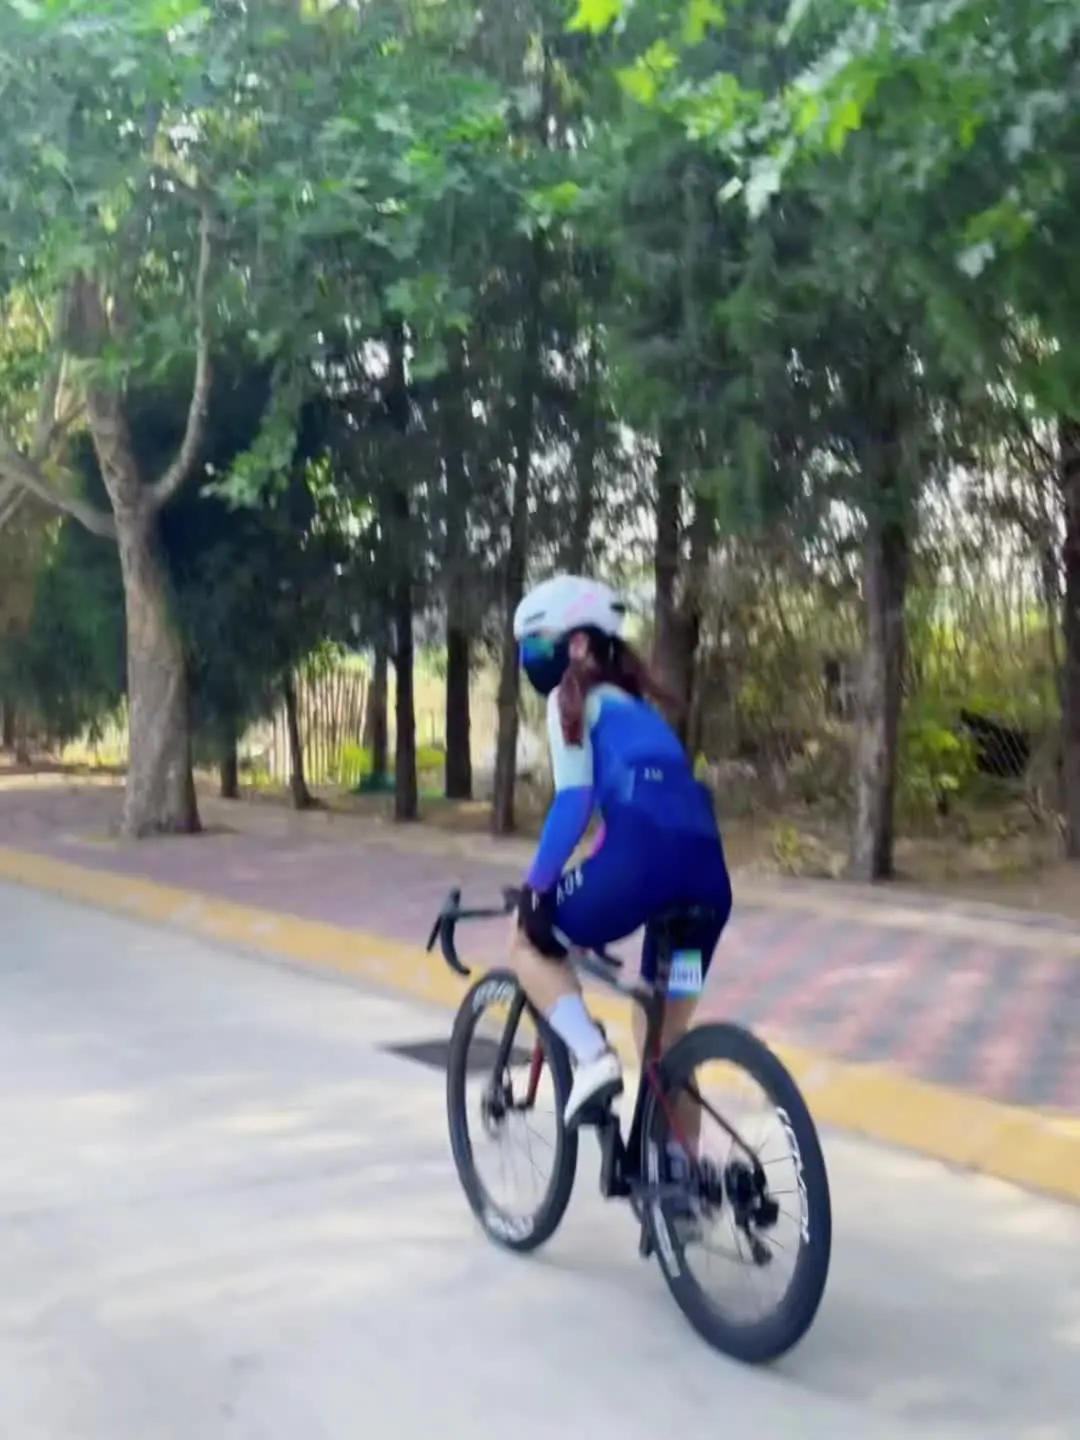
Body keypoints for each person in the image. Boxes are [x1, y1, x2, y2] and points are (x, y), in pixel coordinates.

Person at [509, 573, 733, 1133]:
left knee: (527, 944)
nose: (530, 662)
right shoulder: (642, 711)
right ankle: (685, 1175)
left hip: (641, 868)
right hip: (708, 886)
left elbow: (574, 802)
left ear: (578, 645)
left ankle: (592, 1058)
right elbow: (641, 814)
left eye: (535, 647)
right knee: (667, 1037)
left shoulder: (571, 699)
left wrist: (538, 888)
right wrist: (591, 882)